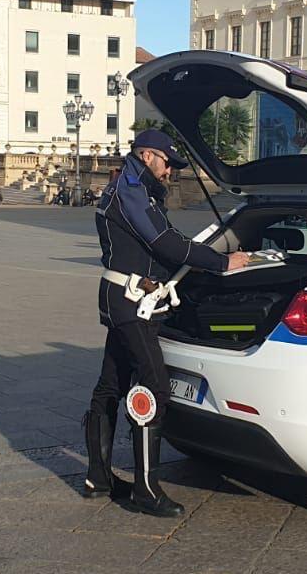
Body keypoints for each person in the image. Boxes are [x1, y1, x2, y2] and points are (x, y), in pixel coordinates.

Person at [85, 129, 250, 516]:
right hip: (131, 301)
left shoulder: (128, 186)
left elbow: (161, 244)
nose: (170, 172)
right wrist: (224, 262)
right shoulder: (130, 191)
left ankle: (98, 478)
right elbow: (166, 242)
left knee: (110, 384)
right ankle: (145, 489)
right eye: (166, 163)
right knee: (154, 386)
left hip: (126, 297)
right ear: (146, 156)